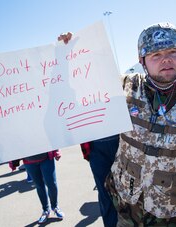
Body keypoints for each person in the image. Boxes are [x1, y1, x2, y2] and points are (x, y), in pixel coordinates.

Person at [60, 23, 176, 226]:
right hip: (126, 207)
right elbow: (84, 82)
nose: (166, 59)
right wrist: (70, 52)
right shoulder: (124, 88)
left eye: (173, 52)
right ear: (142, 61)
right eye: (155, 55)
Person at [59, 33, 119, 227]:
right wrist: (63, 50)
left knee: (131, 194)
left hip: (122, 143)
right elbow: (59, 83)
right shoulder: (73, 88)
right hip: (96, 148)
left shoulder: (114, 80)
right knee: (105, 195)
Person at [10, 150, 65, 224]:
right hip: (29, 161)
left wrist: (56, 150)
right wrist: (12, 160)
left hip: (46, 157)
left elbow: (51, 138)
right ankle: (46, 210)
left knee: (52, 184)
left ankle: (55, 206)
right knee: (39, 186)